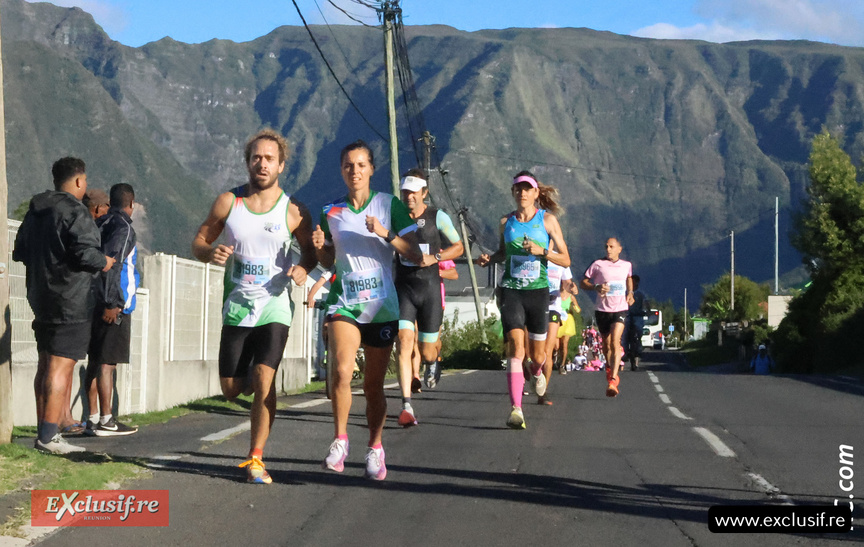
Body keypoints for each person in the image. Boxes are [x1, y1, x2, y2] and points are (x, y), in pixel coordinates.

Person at [192, 129, 316, 484]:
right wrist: (208, 252)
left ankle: (255, 458)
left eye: (269, 159)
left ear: (281, 165)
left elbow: (310, 252)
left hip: (275, 306)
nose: (262, 164)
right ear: (248, 162)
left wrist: (302, 268)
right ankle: (258, 383)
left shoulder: (294, 211)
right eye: (256, 157)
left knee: (264, 379)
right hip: (237, 306)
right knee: (232, 389)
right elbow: (199, 240)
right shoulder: (228, 203)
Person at [313, 140, 420, 480]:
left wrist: (385, 233)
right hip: (345, 302)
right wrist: (319, 251)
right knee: (342, 371)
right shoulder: (330, 212)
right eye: (348, 165)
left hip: (382, 307)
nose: (355, 171)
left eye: (361, 165)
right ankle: (340, 439)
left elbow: (415, 253)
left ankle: (375, 446)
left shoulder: (389, 205)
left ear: (372, 169)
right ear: (342, 170)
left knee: (374, 386)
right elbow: (330, 259)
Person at [13, 157, 115, 454]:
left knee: (45, 364)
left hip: (40, 298)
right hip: (71, 300)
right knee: (61, 367)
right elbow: (86, 255)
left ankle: (44, 429)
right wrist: (104, 261)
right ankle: (48, 437)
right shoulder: (76, 212)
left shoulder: (36, 211)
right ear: (79, 181)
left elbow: (20, 251)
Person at [477, 171, 569, 429]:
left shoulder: (547, 221)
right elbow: (503, 253)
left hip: (539, 293)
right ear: (513, 192)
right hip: (512, 291)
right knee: (517, 350)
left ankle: (537, 371)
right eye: (518, 189)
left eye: (528, 189)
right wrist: (490, 259)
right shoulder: (506, 222)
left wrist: (544, 252)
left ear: (536, 193)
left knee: (538, 356)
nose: (523, 193)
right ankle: (516, 409)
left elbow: (566, 259)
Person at [394, 169, 463, 427]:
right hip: (404, 288)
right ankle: (406, 405)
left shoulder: (437, 217)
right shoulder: (395, 217)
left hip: (431, 289)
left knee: (426, 350)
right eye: (405, 192)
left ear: (424, 193)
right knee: (403, 341)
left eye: (413, 193)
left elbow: (458, 247)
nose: (408, 197)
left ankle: (433, 362)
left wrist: (435, 258)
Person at [84, 183, 141, 437]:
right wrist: (113, 303)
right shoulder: (124, 228)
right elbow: (112, 265)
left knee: (95, 360)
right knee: (108, 364)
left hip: (93, 301)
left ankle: (92, 418)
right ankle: (107, 420)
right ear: (131, 204)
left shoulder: (101, 223)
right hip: (113, 304)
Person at [580, 237, 635, 397]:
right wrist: (596, 287)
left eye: (611, 247)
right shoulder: (597, 264)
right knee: (606, 346)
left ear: (619, 249)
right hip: (602, 310)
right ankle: (610, 369)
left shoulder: (626, 265)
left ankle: (613, 380)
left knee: (615, 342)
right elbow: (583, 282)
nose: (608, 250)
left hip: (620, 309)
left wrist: (630, 293)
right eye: (606, 247)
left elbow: (629, 278)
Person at [540, 252, 573, 403]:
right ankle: (531, 373)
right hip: (535, 305)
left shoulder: (559, 258)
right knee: (533, 352)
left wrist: (570, 286)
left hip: (553, 307)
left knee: (548, 349)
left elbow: (567, 282)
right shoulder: (533, 251)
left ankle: (543, 392)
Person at [623, 274, 645, 371]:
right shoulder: (625, 293)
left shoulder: (640, 294)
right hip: (627, 316)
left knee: (639, 331)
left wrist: (646, 311)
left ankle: (638, 349)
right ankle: (624, 352)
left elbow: (645, 304)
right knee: (624, 333)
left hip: (637, 316)